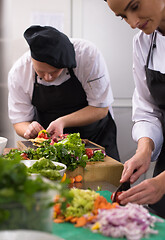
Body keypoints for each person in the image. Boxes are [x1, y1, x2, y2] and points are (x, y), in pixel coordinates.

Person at [8, 25, 120, 161]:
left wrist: (62, 121)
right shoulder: (19, 72)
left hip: (96, 138)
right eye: (41, 72)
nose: (48, 77)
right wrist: (29, 129)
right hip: (52, 147)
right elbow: (19, 121)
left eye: (54, 72)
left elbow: (100, 109)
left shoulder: (87, 55)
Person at [104, 0, 165, 217]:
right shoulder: (143, 43)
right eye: (122, 16)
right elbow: (148, 109)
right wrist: (144, 150)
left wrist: (163, 182)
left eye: (135, 5)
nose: (132, 22)